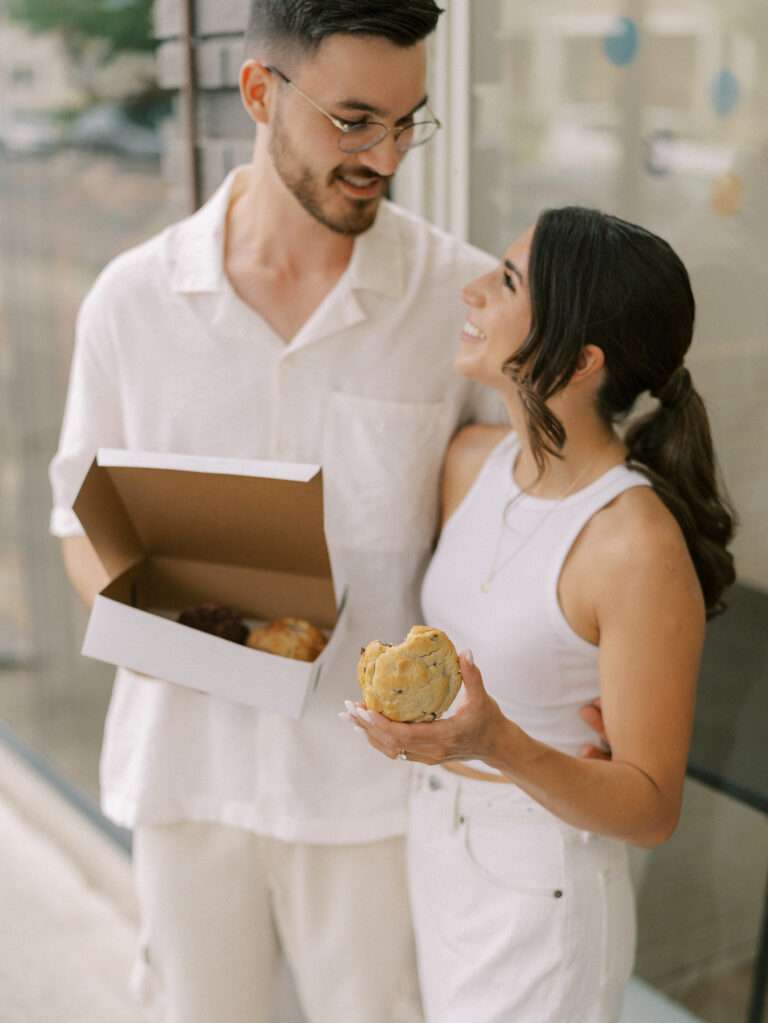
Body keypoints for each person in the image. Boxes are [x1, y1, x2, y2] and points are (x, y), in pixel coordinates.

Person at [47, 3, 508, 1021]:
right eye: (353, 121)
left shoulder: (461, 300)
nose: (384, 156)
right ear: (260, 92)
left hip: (371, 797)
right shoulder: (135, 300)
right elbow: (80, 522)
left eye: (406, 122)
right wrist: (165, 627)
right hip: (187, 775)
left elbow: (514, 527)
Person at [343, 207, 736, 1022]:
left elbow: (652, 806)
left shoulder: (633, 543)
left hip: (543, 885)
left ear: (583, 359)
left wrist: (497, 741)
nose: (474, 289)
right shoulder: (470, 464)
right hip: (440, 845)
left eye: (510, 281)